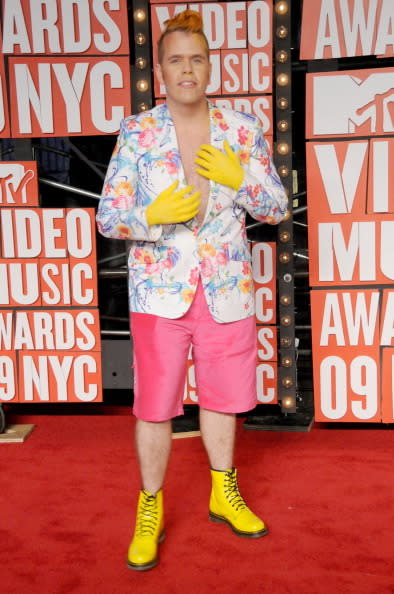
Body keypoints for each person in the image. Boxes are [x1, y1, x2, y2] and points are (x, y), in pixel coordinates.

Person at [96, 9, 288, 571]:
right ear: (161, 69)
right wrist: (149, 215)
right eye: (176, 59)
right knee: (155, 405)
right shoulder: (138, 132)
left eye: (197, 59)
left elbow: (274, 207)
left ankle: (222, 491)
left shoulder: (241, 129)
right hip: (160, 293)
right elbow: (110, 215)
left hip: (226, 286)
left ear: (210, 67)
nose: (188, 69)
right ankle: (149, 505)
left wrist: (242, 178)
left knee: (225, 398)